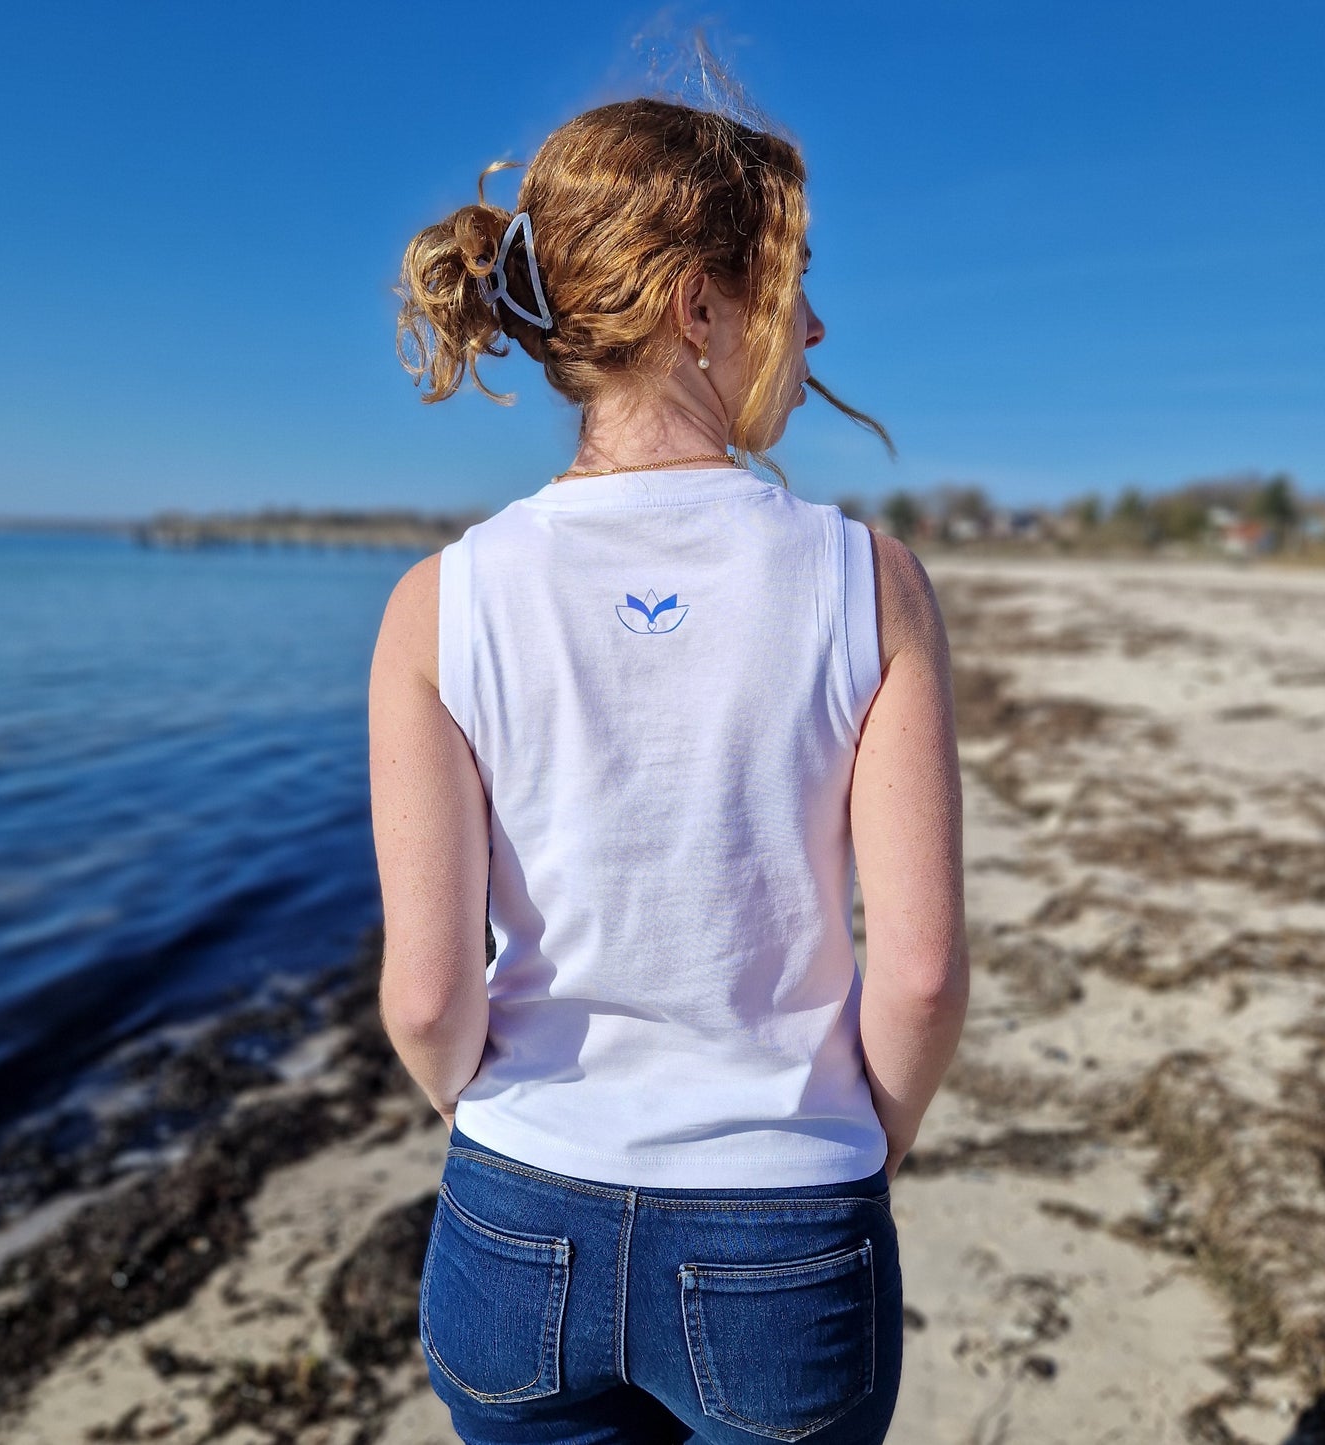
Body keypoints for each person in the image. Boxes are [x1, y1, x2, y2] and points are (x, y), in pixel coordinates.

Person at [368, 92, 968, 1445]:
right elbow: (919, 973)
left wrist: (512, 1129)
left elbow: (422, 997)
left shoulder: (436, 603)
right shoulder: (866, 584)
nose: (813, 327)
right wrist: (867, 1141)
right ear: (697, 307)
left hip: (517, 1217)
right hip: (785, 1225)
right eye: (793, 284)